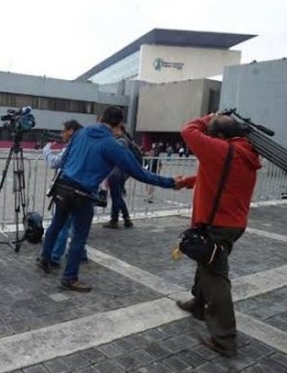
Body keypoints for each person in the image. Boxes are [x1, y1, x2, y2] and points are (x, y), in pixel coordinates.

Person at [38, 107, 180, 292]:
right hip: (82, 194)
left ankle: (45, 259)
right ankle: (69, 277)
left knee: (56, 225)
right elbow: (139, 172)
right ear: (119, 124)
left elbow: (64, 160)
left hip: (63, 187)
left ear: (100, 119)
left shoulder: (80, 133)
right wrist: (170, 182)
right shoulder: (111, 145)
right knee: (78, 238)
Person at [175, 113, 261, 357]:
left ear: (221, 137)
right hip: (231, 222)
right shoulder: (243, 151)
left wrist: (210, 116)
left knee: (216, 278)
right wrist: (188, 182)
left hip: (217, 224)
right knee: (206, 262)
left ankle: (225, 339)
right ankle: (198, 306)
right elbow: (218, 177)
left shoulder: (223, 150)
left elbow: (188, 130)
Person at [42, 120, 85, 267]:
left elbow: (55, 162)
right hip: (83, 190)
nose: (62, 134)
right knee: (77, 225)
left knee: (62, 226)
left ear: (71, 131)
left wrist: (46, 149)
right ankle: (82, 253)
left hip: (69, 190)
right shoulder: (85, 145)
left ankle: (53, 257)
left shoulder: (72, 146)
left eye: (63, 131)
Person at [103, 123, 134, 229]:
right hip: (119, 173)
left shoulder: (121, 141)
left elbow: (115, 156)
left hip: (116, 173)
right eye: (113, 130)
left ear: (121, 131)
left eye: (116, 130)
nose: (114, 132)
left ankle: (114, 220)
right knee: (118, 196)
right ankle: (127, 219)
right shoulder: (122, 140)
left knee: (116, 197)